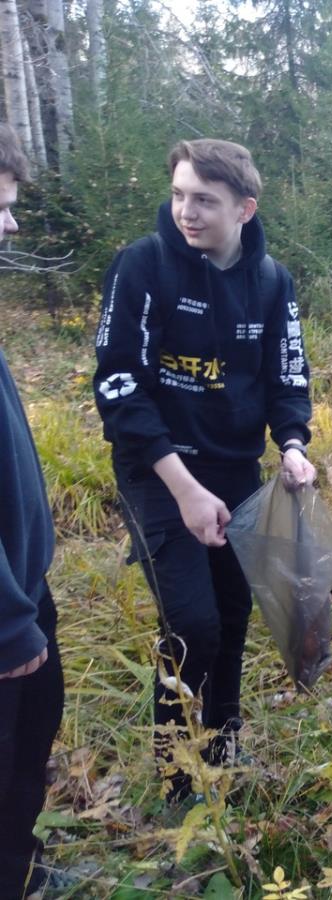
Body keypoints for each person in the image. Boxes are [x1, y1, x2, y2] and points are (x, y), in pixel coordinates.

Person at [94, 139, 316, 801]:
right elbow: (117, 386)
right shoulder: (144, 266)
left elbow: (287, 376)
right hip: (157, 472)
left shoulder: (272, 282)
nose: (187, 212)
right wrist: (185, 490)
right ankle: (176, 776)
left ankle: (225, 745)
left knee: (233, 613)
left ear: (244, 208)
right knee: (192, 624)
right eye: (179, 195)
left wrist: (295, 445)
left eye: (205, 201)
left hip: (235, 468)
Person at [0, 125, 65, 899]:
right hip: (4, 612)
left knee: (31, 740)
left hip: (23, 589)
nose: (11, 224)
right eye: (2, 207)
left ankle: (20, 862)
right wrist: (8, 621)